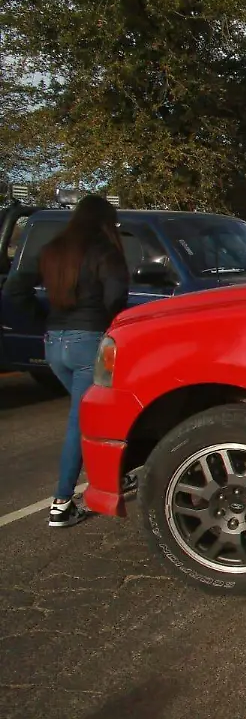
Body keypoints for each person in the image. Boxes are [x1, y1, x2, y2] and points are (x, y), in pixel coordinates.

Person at [3, 195, 129, 527]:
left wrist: (43, 319)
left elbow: (15, 289)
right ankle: (61, 503)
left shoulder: (53, 249)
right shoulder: (104, 251)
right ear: (105, 220)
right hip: (89, 342)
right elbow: (116, 297)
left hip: (54, 345)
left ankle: (116, 476)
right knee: (81, 421)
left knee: (85, 413)